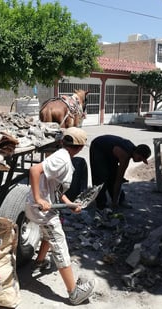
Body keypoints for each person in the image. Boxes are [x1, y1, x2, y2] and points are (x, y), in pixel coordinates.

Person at [25, 127, 96, 306]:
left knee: (50, 234)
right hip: (40, 208)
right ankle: (74, 294)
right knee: (60, 245)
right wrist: (39, 198)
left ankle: (40, 262)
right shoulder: (62, 158)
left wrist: (69, 203)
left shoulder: (62, 156)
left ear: (63, 142)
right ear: (80, 147)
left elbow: (55, 187)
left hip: (43, 206)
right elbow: (34, 170)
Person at [89, 135, 151, 213]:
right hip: (98, 147)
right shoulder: (125, 155)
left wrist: (115, 201)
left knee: (113, 175)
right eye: (139, 158)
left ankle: (121, 200)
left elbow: (117, 178)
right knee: (100, 177)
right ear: (136, 153)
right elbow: (119, 181)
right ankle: (101, 205)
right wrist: (114, 203)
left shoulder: (131, 150)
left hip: (110, 152)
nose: (139, 161)